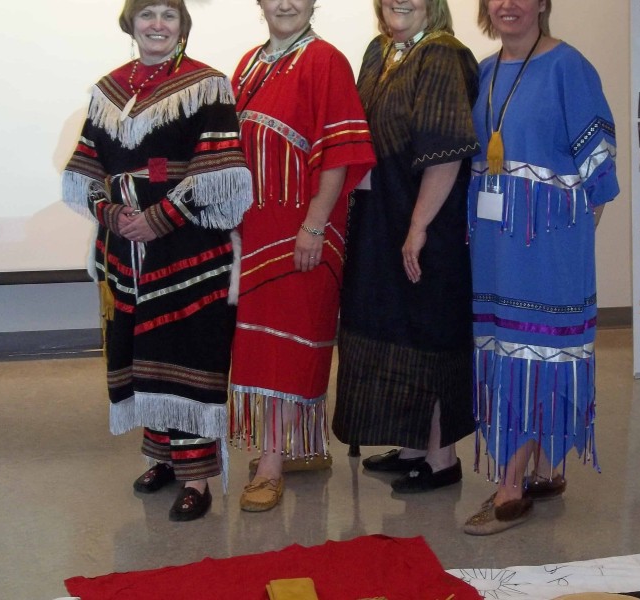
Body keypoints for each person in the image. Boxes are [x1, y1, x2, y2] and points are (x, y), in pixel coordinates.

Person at [61, 0, 252, 521]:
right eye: (148, 14)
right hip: (124, 250)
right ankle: (164, 457)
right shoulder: (108, 90)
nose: (158, 25)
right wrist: (111, 213)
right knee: (140, 349)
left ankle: (197, 477)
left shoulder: (207, 85)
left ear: (183, 26)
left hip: (188, 248)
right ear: (131, 23)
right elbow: (85, 170)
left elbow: (219, 173)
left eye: (170, 15)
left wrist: (160, 218)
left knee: (187, 355)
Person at [464, 0, 619, 535]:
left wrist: (567, 242)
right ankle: (545, 466)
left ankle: (511, 485)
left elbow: (599, 170)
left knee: (534, 355)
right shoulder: (484, 71)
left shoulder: (568, 67)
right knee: (504, 352)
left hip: (547, 248)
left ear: (543, 4)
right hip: (493, 249)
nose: (508, 4)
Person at [228, 0, 376, 512]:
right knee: (263, 344)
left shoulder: (325, 60)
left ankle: (270, 466)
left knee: (292, 345)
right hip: (257, 231)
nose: (285, 3)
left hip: (304, 232)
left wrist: (314, 224)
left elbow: (338, 153)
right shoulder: (249, 63)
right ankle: (301, 447)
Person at [333, 0, 480, 493]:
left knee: (429, 331)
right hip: (382, 219)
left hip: (428, 224)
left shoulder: (442, 55)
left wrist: (417, 227)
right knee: (395, 329)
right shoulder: (379, 53)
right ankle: (414, 446)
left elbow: (446, 154)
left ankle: (442, 459)